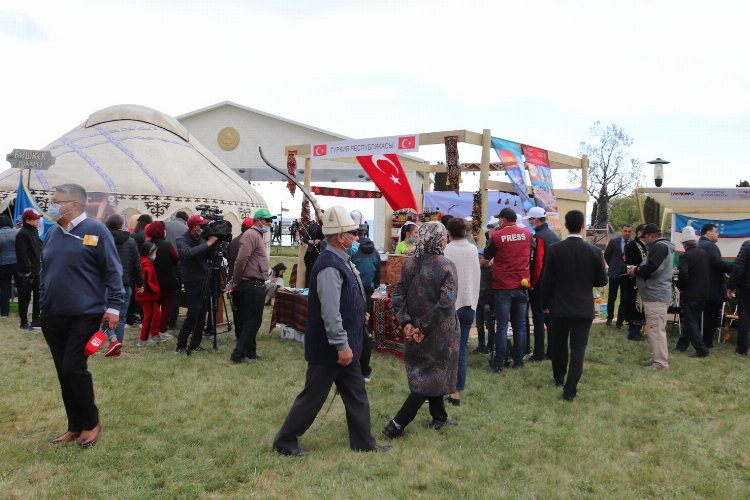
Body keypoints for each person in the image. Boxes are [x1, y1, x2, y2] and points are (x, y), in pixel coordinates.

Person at [274, 206, 390, 456]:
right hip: (331, 348)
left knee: (356, 395)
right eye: (352, 233)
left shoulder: (340, 259)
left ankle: (364, 443)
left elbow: (345, 298)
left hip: (344, 346)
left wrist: (359, 312)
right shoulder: (329, 265)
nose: (357, 237)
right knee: (313, 398)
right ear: (340, 236)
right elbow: (330, 310)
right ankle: (284, 441)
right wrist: (341, 345)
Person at [40, 183, 124, 447]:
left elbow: (113, 270)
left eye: (57, 201)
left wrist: (114, 307)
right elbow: (46, 270)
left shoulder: (96, 231)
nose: (51, 205)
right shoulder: (53, 233)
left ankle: (91, 422)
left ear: (74, 205)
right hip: (53, 314)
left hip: (85, 313)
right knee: (63, 371)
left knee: (73, 367)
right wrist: (43, 301)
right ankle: (74, 425)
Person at [383, 221, 459, 439]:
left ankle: (439, 417)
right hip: (438, 331)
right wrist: (422, 328)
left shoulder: (409, 263)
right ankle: (397, 424)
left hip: (415, 328)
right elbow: (446, 304)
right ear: (440, 241)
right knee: (428, 376)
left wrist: (407, 323)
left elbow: (398, 294)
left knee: (430, 370)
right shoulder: (446, 266)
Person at [541, 210, 608, 401]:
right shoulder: (594, 251)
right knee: (578, 349)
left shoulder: (555, 249)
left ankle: (558, 378)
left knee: (558, 345)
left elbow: (547, 280)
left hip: (559, 306)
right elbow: (602, 280)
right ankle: (570, 389)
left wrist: (544, 303)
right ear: (583, 226)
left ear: (565, 225)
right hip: (583, 307)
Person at [483, 207, 532, 372]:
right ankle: (518, 361)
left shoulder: (497, 236)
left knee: (502, 326)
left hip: (503, 286)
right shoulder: (527, 234)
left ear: (503, 220)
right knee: (520, 326)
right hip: (522, 284)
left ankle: (499, 362)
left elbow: (487, 256)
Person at [628, 223, 675, 370]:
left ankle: (660, 363)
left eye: (645, 238)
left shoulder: (659, 247)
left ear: (652, 236)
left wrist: (636, 271)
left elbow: (652, 267)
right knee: (656, 329)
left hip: (656, 295)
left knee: (656, 330)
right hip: (656, 294)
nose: (644, 241)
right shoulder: (662, 246)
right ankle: (657, 358)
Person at [230, 208, 275, 364]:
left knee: (251, 320)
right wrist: (236, 280)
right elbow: (241, 259)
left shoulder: (255, 235)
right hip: (251, 283)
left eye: (270, 221)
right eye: (267, 220)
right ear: (257, 221)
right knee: (252, 321)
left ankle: (250, 352)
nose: (269, 223)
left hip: (253, 282)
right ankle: (238, 354)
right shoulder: (251, 235)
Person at [443, 218, 480, 406]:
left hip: (451, 306)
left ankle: (442, 388)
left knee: (445, 350)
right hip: (469, 303)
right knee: (461, 350)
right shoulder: (473, 249)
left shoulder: (446, 250)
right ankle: (456, 392)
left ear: (448, 232)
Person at [174, 214, 218, 353]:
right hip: (192, 281)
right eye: (202, 226)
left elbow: (208, 255)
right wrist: (208, 243)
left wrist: (213, 246)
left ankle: (195, 344)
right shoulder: (181, 239)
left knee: (202, 313)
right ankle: (181, 344)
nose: (204, 228)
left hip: (204, 279)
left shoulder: (201, 239)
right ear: (194, 227)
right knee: (193, 314)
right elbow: (187, 253)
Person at [105, 214, 143, 356]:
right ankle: (117, 347)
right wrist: (140, 283)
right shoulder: (131, 241)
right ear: (122, 225)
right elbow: (136, 264)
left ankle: (113, 340)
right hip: (125, 283)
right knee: (121, 317)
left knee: (104, 314)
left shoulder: (104, 239)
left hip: (106, 283)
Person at [525, 206, 560, 361]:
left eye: (531, 220)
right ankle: (552, 351)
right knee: (550, 319)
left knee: (538, 319)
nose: (529, 222)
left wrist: (532, 282)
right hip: (553, 283)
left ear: (537, 220)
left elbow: (538, 263)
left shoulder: (539, 237)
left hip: (540, 284)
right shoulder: (554, 236)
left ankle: (539, 353)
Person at [350, 224, 381, 382]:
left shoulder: (352, 251)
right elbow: (378, 274)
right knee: (365, 328)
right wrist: (373, 286)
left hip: (353, 292)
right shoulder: (375, 252)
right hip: (367, 293)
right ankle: (364, 369)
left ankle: (356, 367)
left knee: (354, 328)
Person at [674, 226, 710, 357]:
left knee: (691, 322)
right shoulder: (704, 254)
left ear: (684, 244)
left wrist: (680, 286)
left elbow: (684, 274)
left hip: (691, 293)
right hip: (704, 293)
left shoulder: (685, 256)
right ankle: (681, 346)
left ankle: (701, 349)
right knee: (691, 320)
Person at [699, 223, 734, 348]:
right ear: (708, 233)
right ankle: (707, 342)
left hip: (701, 287)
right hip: (712, 288)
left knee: (702, 317)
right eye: (716, 232)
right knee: (711, 316)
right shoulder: (710, 246)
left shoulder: (698, 244)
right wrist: (734, 267)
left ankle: (700, 340)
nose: (718, 234)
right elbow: (717, 264)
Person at [145, 221, 179, 336]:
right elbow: (175, 258)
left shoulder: (146, 245)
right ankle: (162, 329)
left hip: (151, 280)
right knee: (166, 306)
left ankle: (151, 327)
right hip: (166, 279)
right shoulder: (167, 245)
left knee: (153, 305)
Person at [14, 209, 42, 330]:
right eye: (35, 219)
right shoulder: (22, 234)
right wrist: (27, 271)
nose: (38, 220)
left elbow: (39, 247)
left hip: (36, 270)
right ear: (28, 221)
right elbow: (22, 255)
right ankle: (24, 323)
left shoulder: (34, 231)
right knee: (24, 298)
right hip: (26, 273)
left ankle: (36, 320)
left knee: (38, 296)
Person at [603, 224, 632, 327]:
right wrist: (613, 265)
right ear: (621, 231)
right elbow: (606, 255)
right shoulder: (614, 242)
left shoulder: (632, 244)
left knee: (625, 299)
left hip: (627, 275)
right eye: (625, 231)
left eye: (629, 231)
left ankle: (620, 321)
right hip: (614, 274)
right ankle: (609, 318)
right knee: (612, 297)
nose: (627, 233)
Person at [622, 224, 647, 341]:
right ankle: (633, 331)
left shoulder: (645, 245)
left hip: (642, 279)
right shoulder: (632, 245)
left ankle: (638, 329)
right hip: (634, 280)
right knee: (634, 305)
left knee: (641, 306)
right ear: (639, 233)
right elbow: (631, 262)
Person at [136, 241, 162, 345]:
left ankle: (155, 334)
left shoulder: (145, 263)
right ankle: (144, 339)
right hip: (148, 296)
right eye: (155, 252)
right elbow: (146, 282)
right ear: (150, 252)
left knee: (156, 314)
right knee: (150, 316)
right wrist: (155, 290)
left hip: (148, 295)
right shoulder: (146, 265)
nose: (156, 254)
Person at [727, 239, 750, 356]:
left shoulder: (747, 245)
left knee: (744, 317)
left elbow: (738, 268)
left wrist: (731, 286)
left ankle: (742, 348)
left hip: (747, 287)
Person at [475, 249, 495, 354]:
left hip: (487, 302)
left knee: (489, 325)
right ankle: (481, 345)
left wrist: (488, 303)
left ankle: (491, 346)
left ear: (487, 258)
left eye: (480, 258)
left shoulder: (492, 271)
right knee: (479, 324)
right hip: (479, 300)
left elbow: (492, 289)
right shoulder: (479, 269)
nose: (478, 260)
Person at [0, 214, 17, 318]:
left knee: (4, 288)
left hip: (3, 264)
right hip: (17, 263)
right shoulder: (16, 233)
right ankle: (22, 310)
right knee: (21, 287)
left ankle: (4, 313)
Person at [302, 214, 325, 288]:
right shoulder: (312, 226)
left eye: (319, 216)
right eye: (316, 216)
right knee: (311, 272)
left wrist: (322, 242)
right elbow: (305, 239)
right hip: (312, 252)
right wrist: (313, 241)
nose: (317, 217)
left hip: (323, 252)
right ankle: (309, 289)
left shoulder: (327, 226)